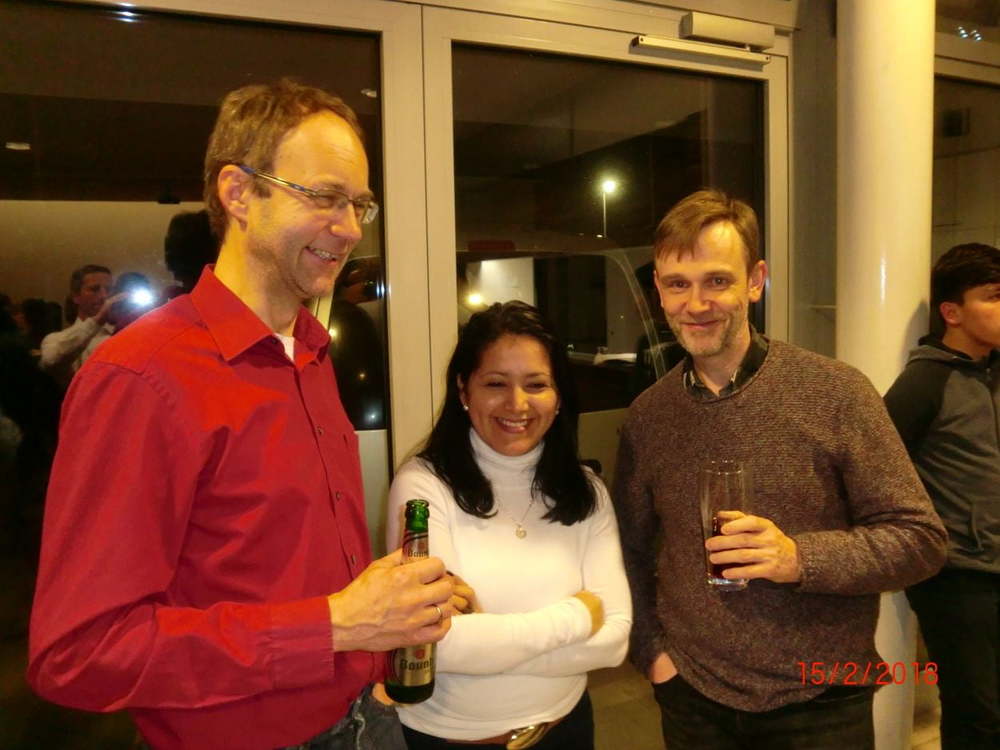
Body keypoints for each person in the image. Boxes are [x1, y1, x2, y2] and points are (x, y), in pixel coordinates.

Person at [28, 79, 455, 750]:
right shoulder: (143, 376)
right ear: (239, 193)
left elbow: (284, 567)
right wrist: (335, 625)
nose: (350, 228)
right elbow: (80, 654)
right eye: (324, 197)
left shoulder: (311, 352)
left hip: (363, 718)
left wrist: (383, 616)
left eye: (359, 205)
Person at [613, 189, 947, 749]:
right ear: (660, 293)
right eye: (678, 284)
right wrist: (653, 655)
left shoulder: (837, 393)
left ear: (755, 281)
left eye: (717, 280)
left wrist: (797, 558)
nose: (696, 303)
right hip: (694, 699)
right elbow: (628, 550)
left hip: (823, 700)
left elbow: (920, 540)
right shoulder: (649, 416)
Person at [386, 301, 631, 749]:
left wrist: (488, 644)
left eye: (536, 384)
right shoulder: (423, 486)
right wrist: (579, 615)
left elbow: (615, 640)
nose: (517, 404)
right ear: (463, 390)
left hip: (566, 731)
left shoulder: (586, 490)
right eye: (496, 383)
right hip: (451, 742)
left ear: (559, 396)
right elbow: (439, 646)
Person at [884, 242, 1000, 750]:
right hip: (957, 576)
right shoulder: (923, 382)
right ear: (952, 312)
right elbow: (875, 471)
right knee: (978, 715)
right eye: (994, 296)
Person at [38, 264, 119, 386]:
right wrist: (97, 321)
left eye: (109, 290)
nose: (104, 296)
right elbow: (51, 360)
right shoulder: (55, 339)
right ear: (76, 297)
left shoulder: (121, 333)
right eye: (94, 289)